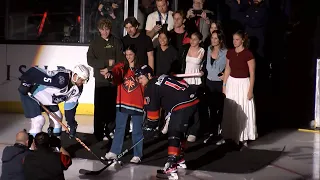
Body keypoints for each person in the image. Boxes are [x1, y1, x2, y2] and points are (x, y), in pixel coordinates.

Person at [135, 65, 199, 179]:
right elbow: (182, 82)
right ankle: (180, 159)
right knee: (180, 132)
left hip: (182, 105)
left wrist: (150, 128)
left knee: (174, 133)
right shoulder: (162, 76)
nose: (139, 81)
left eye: (141, 78)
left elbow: (153, 115)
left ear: (149, 75)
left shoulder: (150, 87)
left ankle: (171, 167)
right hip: (194, 100)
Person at [18, 64, 90, 138]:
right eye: (82, 80)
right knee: (39, 120)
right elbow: (34, 71)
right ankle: (31, 147)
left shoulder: (78, 89)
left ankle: (54, 145)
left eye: (85, 81)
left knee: (58, 119)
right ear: (75, 75)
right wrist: (25, 83)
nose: (83, 83)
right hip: (32, 95)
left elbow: (70, 108)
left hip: (48, 99)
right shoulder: (60, 78)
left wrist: (71, 124)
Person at [104, 45, 144, 163]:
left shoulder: (141, 68)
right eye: (126, 55)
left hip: (137, 103)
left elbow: (146, 84)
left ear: (135, 55)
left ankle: (137, 154)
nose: (128, 57)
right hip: (123, 102)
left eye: (130, 55)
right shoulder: (121, 66)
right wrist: (110, 75)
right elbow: (116, 74)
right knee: (120, 128)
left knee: (137, 130)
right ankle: (114, 151)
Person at [87, 18, 124, 141]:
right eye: (102, 29)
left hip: (113, 80)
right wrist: (105, 63)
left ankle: (110, 130)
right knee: (99, 108)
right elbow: (90, 60)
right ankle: (98, 133)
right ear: (99, 30)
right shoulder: (95, 43)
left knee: (112, 108)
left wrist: (110, 70)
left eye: (107, 29)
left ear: (110, 29)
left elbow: (120, 61)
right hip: (100, 81)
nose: (105, 32)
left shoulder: (116, 42)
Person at [221, 30, 257, 147]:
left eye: (237, 39)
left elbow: (252, 73)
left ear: (242, 40)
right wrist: (224, 85)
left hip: (243, 84)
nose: (234, 42)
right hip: (232, 83)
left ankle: (244, 137)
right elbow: (227, 69)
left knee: (243, 109)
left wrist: (250, 90)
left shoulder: (248, 54)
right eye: (233, 39)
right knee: (231, 109)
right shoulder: (230, 53)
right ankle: (230, 135)